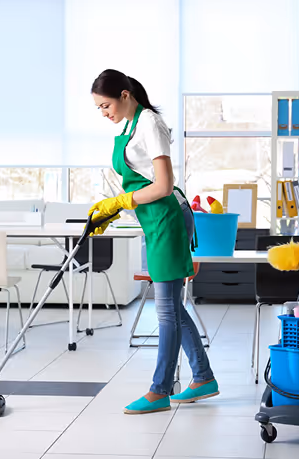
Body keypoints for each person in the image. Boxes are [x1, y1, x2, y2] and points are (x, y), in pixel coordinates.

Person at [89, 69, 219, 414]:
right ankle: (203, 376)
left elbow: (162, 185)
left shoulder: (149, 123)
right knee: (171, 305)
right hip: (154, 220)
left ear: (125, 95)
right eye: (99, 108)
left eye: (106, 105)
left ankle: (160, 389)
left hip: (169, 219)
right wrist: (115, 210)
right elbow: (139, 183)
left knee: (165, 310)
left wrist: (122, 202)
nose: (104, 113)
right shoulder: (128, 127)